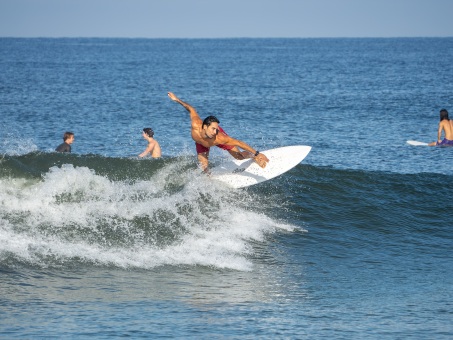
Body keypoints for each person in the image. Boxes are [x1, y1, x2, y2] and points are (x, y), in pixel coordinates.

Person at [167, 92, 269, 171]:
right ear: (205, 126)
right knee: (204, 166)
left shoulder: (219, 137)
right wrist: (176, 99)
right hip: (200, 142)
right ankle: (209, 179)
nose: (215, 131)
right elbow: (190, 108)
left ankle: (252, 157)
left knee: (239, 156)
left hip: (214, 141)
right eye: (213, 129)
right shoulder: (196, 125)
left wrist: (256, 153)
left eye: (216, 129)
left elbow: (238, 142)